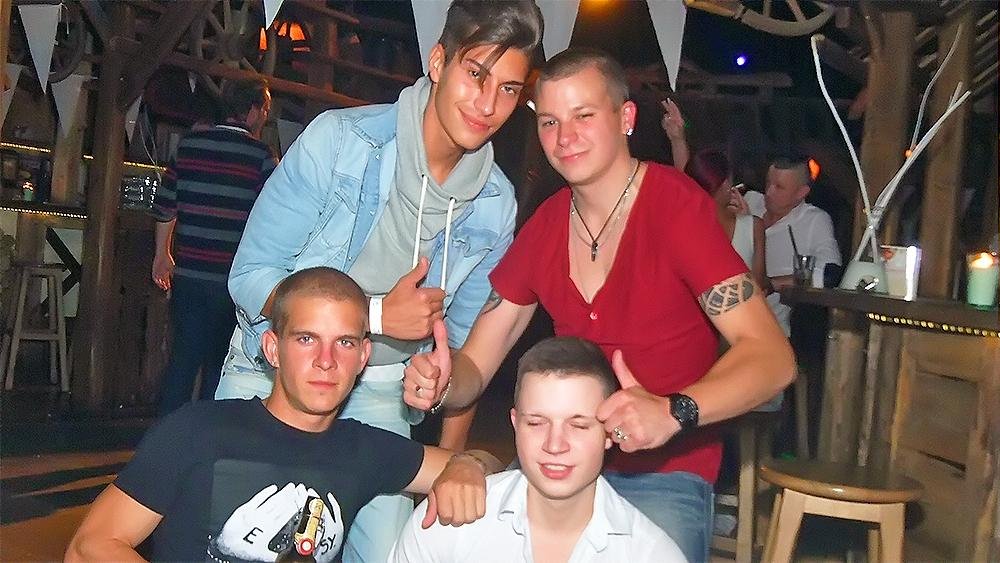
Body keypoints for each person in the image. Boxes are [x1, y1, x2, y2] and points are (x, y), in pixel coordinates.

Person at [403, 47, 794, 562]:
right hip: (557, 463)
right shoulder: (546, 224)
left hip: (664, 474)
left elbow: (773, 359)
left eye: (583, 116)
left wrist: (674, 411)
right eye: (549, 122)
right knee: (447, 533)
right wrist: (443, 381)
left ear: (625, 117)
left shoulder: (676, 208)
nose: (564, 137)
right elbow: (476, 363)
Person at [214, 3, 544, 561]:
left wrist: (438, 391)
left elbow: (459, 354)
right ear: (438, 62)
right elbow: (250, 276)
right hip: (275, 376)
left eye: (509, 89)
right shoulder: (340, 142)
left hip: (382, 394)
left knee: (392, 553)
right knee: (246, 547)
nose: (488, 104)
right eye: (476, 74)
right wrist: (373, 317)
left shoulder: (495, 205)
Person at [65, 267, 500, 563]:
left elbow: (492, 468)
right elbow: (90, 547)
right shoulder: (198, 431)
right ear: (273, 349)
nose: (326, 361)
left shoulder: (363, 449)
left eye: (345, 343)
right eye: (307, 339)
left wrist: (467, 465)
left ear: (363, 357)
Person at [391, 336, 686, 563]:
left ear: (609, 432)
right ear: (515, 424)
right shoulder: (449, 525)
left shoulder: (650, 554)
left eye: (578, 425)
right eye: (536, 423)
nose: (554, 445)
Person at [151, 78, 278, 415]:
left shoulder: (189, 146)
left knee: (182, 361)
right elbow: (275, 218)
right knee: (220, 365)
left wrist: (162, 255)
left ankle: (166, 434)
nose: (265, 117)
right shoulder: (261, 156)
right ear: (252, 111)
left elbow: (165, 206)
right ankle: (208, 435)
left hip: (190, 275)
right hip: (233, 281)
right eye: (265, 110)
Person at [743, 156, 842, 335]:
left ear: (801, 192)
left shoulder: (814, 221)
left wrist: (773, 284)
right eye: (768, 183)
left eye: (779, 187)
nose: (769, 192)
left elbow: (830, 273)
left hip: (771, 333)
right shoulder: (749, 202)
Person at [685, 149, 768, 292]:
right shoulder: (753, 227)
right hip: (742, 305)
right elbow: (758, 287)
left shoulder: (681, 230)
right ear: (725, 185)